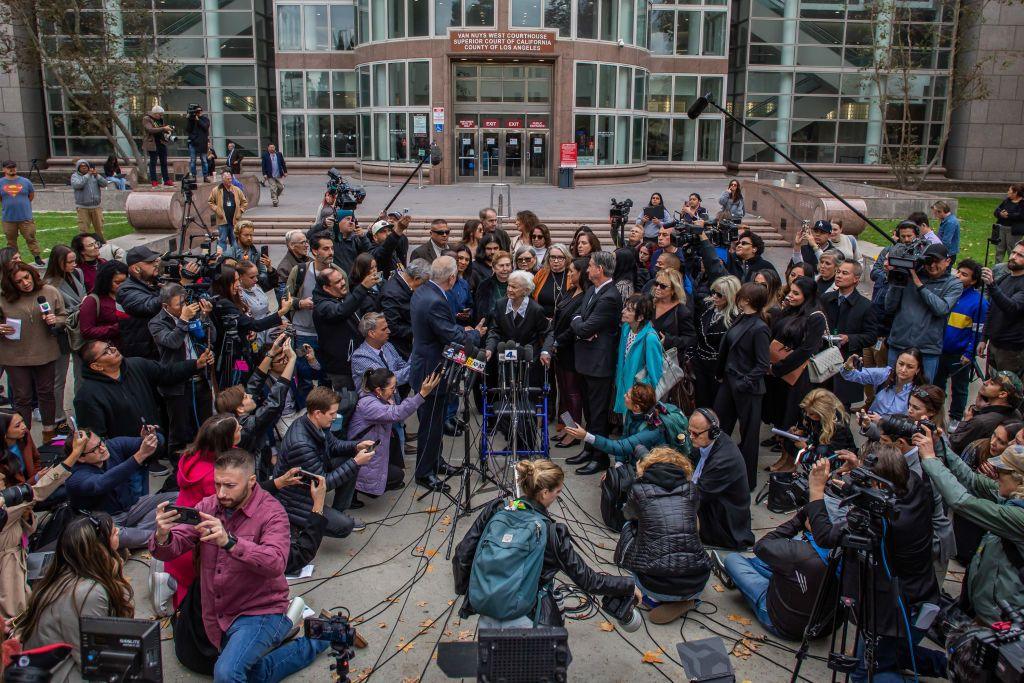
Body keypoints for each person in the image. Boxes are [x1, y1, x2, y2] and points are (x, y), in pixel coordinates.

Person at [151, 450, 330, 682]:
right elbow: (173, 546)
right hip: (216, 610)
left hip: (257, 611)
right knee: (248, 673)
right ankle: (317, 639)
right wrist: (163, 536)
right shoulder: (208, 506)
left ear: (252, 481)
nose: (221, 493)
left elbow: (276, 562)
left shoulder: (272, 512)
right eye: (217, 484)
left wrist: (230, 542)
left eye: (230, 485)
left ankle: (285, 627)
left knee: (226, 674)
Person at [806, 449, 942, 682]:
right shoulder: (914, 485)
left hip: (892, 614)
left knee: (863, 675)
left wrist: (816, 491)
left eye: (866, 476)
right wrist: (862, 470)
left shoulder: (877, 522)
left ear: (878, 485)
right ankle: (952, 667)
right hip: (920, 596)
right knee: (894, 654)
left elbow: (825, 536)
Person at [453, 459, 637, 628]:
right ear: (544, 492)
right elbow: (588, 580)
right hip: (526, 616)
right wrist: (628, 585)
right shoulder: (550, 533)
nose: (558, 497)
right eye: (557, 492)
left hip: (486, 612)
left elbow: (462, 554)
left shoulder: (495, 510)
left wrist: (471, 593)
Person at [919, 434, 1024, 623]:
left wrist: (930, 460)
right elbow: (972, 480)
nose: (996, 474)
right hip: (988, 606)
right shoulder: (1013, 496)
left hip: (1001, 617)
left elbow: (962, 502)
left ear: (1019, 480)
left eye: (1002, 471)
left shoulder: (1019, 517)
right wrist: (940, 446)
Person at [18, 514, 135, 681]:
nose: (118, 532)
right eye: (114, 532)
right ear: (99, 548)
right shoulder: (89, 592)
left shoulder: (66, 575)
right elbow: (91, 658)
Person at [410, 256, 484, 490]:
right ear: (452, 278)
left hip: (428, 364)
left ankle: (436, 461)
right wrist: (475, 333)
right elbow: (451, 335)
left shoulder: (423, 291)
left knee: (436, 421)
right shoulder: (434, 300)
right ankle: (424, 472)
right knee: (430, 425)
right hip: (431, 370)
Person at [615, 446, 709, 623]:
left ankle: (653, 599)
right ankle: (687, 599)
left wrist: (637, 478)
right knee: (688, 521)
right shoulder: (691, 489)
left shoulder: (639, 490)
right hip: (697, 580)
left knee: (630, 525)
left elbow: (628, 514)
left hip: (657, 584)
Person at [162, 413, 244, 607]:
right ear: (227, 439)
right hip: (198, 546)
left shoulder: (191, 458)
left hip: (180, 537)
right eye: (238, 429)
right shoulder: (216, 477)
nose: (241, 429)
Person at [717, 506, 832, 641]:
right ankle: (760, 567)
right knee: (777, 554)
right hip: (823, 628)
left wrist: (797, 521)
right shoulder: (849, 548)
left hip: (782, 624)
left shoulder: (797, 551)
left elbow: (760, 546)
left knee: (733, 559)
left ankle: (747, 576)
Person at [275, 386, 376, 536]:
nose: (335, 417)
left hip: (311, 482)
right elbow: (324, 484)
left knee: (349, 462)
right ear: (317, 413)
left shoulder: (314, 423)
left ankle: (337, 512)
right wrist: (355, 462)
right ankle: (296, 523)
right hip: (295, 500)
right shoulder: (301, 445)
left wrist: (356, 446)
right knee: (344, 527)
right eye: (332, 413)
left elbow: (334, 445)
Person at [73, 338, 213, 441]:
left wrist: (195, 364)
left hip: (151, 444)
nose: (113, 350)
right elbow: (95, 436)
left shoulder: (136, 365)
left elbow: (166, 373)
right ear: (96, 366)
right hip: (123, 458)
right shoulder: (88, 395)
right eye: (106, 352)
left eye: (110, 345)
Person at [65, 429, 173, 549]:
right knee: (113, 536)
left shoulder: (112, 445)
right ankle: (151, 536)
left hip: (133, 508)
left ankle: (139, 535)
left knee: (176, 498)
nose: (102, 448)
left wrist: (152, 437)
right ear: (80, 458)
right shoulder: (74, 476)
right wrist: (140, 455)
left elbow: (156, 442)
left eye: (101, 442)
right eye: (94, 449)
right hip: (106, 522)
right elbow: (101, 483)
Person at [566, 251, 622, 475]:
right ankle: (589, 447)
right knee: (589, 411)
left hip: (599, 363)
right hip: (586, 360)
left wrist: (582, 326)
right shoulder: (591, 290)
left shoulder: (610, 296)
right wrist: (581, 324)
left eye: (590, 266)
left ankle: (600, 457)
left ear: (600, 269)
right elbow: (577, 317)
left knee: (598, 413)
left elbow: (585, 326)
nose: (587, 270)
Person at [149, 283, 216, 461]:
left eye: (185, 301)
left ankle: (205, 463)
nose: (185, 307)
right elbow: (172, 342)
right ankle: (179, 471)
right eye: (179, 304)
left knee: (205, 427)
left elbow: (211, 338)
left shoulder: (191, 314)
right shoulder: (157, 323)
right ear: (166, 306)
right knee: (180, 432)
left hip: (201, 379)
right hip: (177, 384)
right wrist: (183, 321)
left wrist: (205, 317)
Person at [0, 262, 66, 442]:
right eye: (18, 281)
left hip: (45, 352)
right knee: (22, 397)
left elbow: (64, 316)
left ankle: (49, 432)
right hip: (14, 356)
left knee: (46, 393)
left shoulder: (49, 291)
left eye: (26, 277)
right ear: (11, 284)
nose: (25, 283)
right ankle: (23, 437)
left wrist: (56, 320)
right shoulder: (3, 298)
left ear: (32, 274)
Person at [714, 282, 770, 490]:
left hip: (746, 387)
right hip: (729, 381)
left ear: (746, 300)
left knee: (748, 436)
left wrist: (744, 382)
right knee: (719, 426)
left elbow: (763, 364)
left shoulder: (759, 327)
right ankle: (719, 468)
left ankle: (746, 480)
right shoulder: (741, 318)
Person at [215, 334, 296, 478]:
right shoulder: (246, 427)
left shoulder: (237, 417)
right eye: (245, 397)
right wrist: (292, 360)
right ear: (240, 408)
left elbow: (254, 383)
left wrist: (271, 353)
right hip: (253, 473)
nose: (250, 395)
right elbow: (274, 403)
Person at [351, 369, 441, 497]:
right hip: (363, 457)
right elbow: (396, 413)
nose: (394, 391)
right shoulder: (369, 405)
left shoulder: (374, 397)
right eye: (392, 388)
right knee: (397, 476)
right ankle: (356, 489)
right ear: (378, 390)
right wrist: (421, 394)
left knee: (396, 470)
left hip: (374, 452)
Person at [885, 242, 962, 381]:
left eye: (936, 261)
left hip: (927, 350)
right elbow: (889, 307)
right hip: (899, 344)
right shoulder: (909, 276)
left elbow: (941, 309)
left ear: (948, 261)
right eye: (928, 261)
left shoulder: (954, 284)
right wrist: (896, 280)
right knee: (890, 388)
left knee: (921, 395)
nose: (932, 265)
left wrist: (918, 284)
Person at [765, 277, 827, 435]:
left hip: (798, 375)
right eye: (790, 291)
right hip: (780, 371)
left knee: (792, 417)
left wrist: (778, 368)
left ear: (807, 296)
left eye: (796, 293)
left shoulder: (815, 317)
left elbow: (806, 350)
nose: (790, 296)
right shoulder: (790, 310)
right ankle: (781, 445)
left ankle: (789, 456)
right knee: (779, 412)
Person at [563, 383, 683, 465]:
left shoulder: (651, 431)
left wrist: (585, 436)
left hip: (651, 469)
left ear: (636, 406)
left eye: (628, 396)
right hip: (636, 460)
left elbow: (619, 447)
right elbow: (625, 436)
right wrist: (619, 463)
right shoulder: (633, 413)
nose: (624, 395)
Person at [210, 267, 290, 387]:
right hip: (234, 357)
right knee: (240, 381)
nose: (238, 284)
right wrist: (282, 312)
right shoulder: (224, 303)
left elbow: (245, 324)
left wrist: (246, 330)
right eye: (235, 281)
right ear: (225, 283)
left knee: (246, 376)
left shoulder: (232, 299)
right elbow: (254, 324)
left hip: (243, 351)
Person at [687, 408, 753, 549]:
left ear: (713, 432)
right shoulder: (705, 443)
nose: (691, 437)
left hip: (724, 525)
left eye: (695, 433)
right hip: (713, 504)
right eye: (689, 431)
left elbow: (695, 495)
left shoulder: (723, 460)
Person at [932, 259, 987, 422]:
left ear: (974, 280)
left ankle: (955, 418)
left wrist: (969, 353)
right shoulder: (949, 293)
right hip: (939, 349)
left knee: (960, 388)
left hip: (960, 354)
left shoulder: (979, 303)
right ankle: (935, 414)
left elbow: (978, 332)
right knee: (936, 385)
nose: (958, 276)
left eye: (964, 275)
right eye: (958, 272)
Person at [821, 260, 879, 408]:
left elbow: (871, 336)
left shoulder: (865, 306)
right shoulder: (826, 299)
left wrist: (850, 338)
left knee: (841, 409)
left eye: (844, 273)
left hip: (847, 361)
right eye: (838, 272)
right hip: (824, 359)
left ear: (856, 279)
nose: (839, 275)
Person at [542, 257, 586, 449]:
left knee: (573, 393)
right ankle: (567, 426)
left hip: (571, 350)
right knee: (564, 393)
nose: (569, 274)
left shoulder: (586, 296)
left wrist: (558, 341)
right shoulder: (570, 291)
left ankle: (575, 431)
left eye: (572, 272)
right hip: (560, 348)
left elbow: (574, 326)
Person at [44, 244, 87, 428]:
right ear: (58, 263)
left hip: (79, 331)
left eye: (74, 260)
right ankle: (57, 416)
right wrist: (82, 306)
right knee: (58, 377)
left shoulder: (77, 274)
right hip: (61, 334)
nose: (73, 264)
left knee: (81, 373)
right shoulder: (49, 285)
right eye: (69, 262)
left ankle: (81, 409)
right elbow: (53, 315)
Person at [313, 266, 376, 390]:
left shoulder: (343, 296)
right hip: (340, 370)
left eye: (342, 279)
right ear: (326, 288)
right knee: (348, 403)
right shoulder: (323, 307)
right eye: (337, 282)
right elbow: (341, 311)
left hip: (355, 363)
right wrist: (362, 288)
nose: (343, 283)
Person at [484, 269, 547, 382]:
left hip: (529, 359)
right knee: (507, 391)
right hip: (507, 357)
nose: (509, 289)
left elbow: (546, 332)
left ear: (526, 290)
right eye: (509, 285)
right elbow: (495, 331)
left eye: (514, 287)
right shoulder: (500, 304)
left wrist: (545, 351)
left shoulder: (536, 310)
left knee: (527, 395)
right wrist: (489, 348)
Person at [772, 388, 856, 474]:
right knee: (790, 441)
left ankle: (817, 476)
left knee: (821, 450)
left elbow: (829, 458)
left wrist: (805, 449)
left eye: (811, 414)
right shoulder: (812, 416)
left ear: (823, 413)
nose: (807, 415)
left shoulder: (838, 428)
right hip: (817, 448)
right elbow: (813, 433)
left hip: (836, 461)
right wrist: (800, 432)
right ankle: (798, 467)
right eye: (806, 412)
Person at [691, 275, 741, 409]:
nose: (714, 297)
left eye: (720, 295)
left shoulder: (735, 318)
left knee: (716, 405)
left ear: (731, 296)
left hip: (717, 369)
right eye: (713, 292)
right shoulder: (706, 306)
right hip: (699, 362)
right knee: (700, 401)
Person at [948, 371, 1023, 454]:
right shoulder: (1017, 413)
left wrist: (966, 421)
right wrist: (979, 409)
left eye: (992, 383)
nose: (985, 382)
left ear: (1002, 394)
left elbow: (953, 444)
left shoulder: (980, 422)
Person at [839, 348, 926, 420]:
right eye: (901, 364)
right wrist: (848, 367)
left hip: (897, 437)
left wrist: (881, 421)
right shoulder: (885, 374)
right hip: (871, 430)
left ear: (918, 370)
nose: (903, 370)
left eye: (910, 367)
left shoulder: (919, 392)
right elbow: (851, 375)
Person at [613, 294, 663, 419]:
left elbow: (655, 375)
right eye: (625, 307)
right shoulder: (626, 328)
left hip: (638, 396)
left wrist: (639, 393)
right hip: (625, 389)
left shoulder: (650, 338)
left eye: (629, 310)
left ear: (640, 317)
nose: (623, 311)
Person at [979, 239, 1024, 375]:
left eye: (1020, 255)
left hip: (1011, 351)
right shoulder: (1004, 278)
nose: (1013, 257)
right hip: (994, 344)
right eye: (1014, 252)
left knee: (1005, 391)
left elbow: (1012, 308)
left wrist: (992, 285)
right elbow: (991, 310)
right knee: (989, 387)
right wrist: (984, 338)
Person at [117, 245, 164, 359]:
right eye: (149, 262)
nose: (155, 264)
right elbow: (149, 307)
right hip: (144, 353)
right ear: (136, 268)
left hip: (158, 347)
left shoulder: (156, 281)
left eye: (155, 261)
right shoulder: (126, 289)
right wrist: (178, 286)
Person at [381, 258, 431, 359]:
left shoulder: (405, 285)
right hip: (400, 349)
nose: (424, 287)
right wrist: (418, 330)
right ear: (416, 279)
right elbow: (392, 326)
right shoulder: (392, 294)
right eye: (424, 282)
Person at [79, 259, 128, 350]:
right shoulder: (92, 301)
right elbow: (86, 331)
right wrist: (117, 327)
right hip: (108, 351)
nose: (122, 286)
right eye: (117, 283)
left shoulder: (129, 295)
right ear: (106, 281)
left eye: (124, 282)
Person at [0, 160, 42, 265]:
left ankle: (37, 256)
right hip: (8, 218)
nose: (12, 169)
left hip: (25, 217)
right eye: (9, 167)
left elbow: (31, 196)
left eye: (13, 167)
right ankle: (15, 260)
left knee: (30, 237)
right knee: (11, 241)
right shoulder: (0, 182)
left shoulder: (26, 181)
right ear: (4, 169)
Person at [650, 268, 695, 361]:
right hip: (646, 354)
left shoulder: (682, 311)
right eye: (656, 283)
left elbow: (690, 338)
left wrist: (668, 340)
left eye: (663, 286)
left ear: (673, 290)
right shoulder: (649, 303)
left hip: (665, 361)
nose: (657, 288)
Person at [224, 220, 274, 291]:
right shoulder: (229, 254)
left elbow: (263, 273)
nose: (249, 238)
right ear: (238, 235)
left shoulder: (256, 252)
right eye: (246, 235)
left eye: (251, 235)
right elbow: (227, 279)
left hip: (253, 290)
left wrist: (268, 268)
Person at [209, 171, 249, 251]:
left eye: (231, 178)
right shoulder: (216, 190)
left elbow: (244, 202)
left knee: (235, 241)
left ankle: (234, 257)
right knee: (222, 240)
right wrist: (217, 209)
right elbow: (210, 202)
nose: (230, 180)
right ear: (223, 180)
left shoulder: (237, 190)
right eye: (228, 179)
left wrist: (240, 210)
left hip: (234, 221)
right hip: (222, 221)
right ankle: (222, 258)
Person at [70, 160, 109, 240]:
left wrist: (97, 176)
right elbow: (78, 185)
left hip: (96, 207)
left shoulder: (94, 176)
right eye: (82, 166)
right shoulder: (75, 176)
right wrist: (87, 175)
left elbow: (105, 184)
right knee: (84, 230)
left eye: (85, 166)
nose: (84, 167)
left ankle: (102, 243)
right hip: (83, 207)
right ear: (78, 168)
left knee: (99, 228)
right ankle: (84, 246)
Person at [474, 250, 513, 324]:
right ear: (493, 268)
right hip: (491, 328)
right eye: (501, 265)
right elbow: (480, 312)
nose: (505, 269)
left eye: (508, 265)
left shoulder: (517, 284)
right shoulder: (484, 285)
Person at [532, 242, 570, 318]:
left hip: (563, 322)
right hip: (541, 320)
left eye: (560, 257)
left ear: (566, 258)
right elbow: (531, 295)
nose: (556, 261)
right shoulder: (542, 273)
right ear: (548, 258)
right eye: (553, 257)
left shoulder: (571, 274)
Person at [142, 105, 173, 187]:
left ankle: (166, 179)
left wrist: (167, 131)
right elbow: (150, 130)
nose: (161, 116)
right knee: (153, 162)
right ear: (155, 113)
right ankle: (154, 180)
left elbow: (161, 129)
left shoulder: (160, 120)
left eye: (162, 114)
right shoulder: (147, 119)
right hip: (152, 143)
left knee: (164, 162)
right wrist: (163, 128)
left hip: (161, 142)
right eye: (160, 114)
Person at [993, 184, 1024, 262]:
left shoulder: (1022, 203)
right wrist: (1000, 214)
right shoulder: (1007, 201)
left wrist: (1008, 215)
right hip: (1001, 228)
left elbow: (1021, 216)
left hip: (1013, 231)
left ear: (1015, 193)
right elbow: (997, 211)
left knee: (1012, 250)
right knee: (999, 249)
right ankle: (997, 267)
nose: (1008, 192)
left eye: (1009, 190)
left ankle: (1011, 269)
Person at [186, 105, 211, 181]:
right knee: (193, 161)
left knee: (204, 160)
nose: (197, 113)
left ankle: (205, 176)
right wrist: (190, 120)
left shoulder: (205, 119)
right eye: (196, 111)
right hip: (193, 143)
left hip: (202, 143)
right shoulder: (192, 119)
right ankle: (193, 176)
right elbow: (188, 130)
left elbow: (205, 127)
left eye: (199, 111)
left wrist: (198, 120)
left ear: (201, 111)